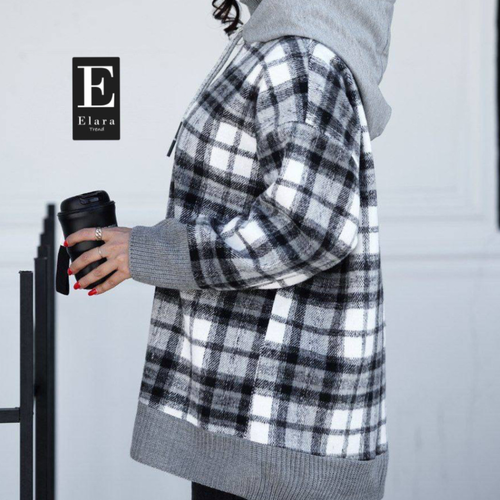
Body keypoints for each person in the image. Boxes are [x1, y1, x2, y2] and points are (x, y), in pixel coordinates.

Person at [64, 0, 396, 498]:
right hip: (252, 414)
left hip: (274, 419)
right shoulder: (282, 44)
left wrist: (147, 252)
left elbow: (306, 229)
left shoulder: (302, 56)